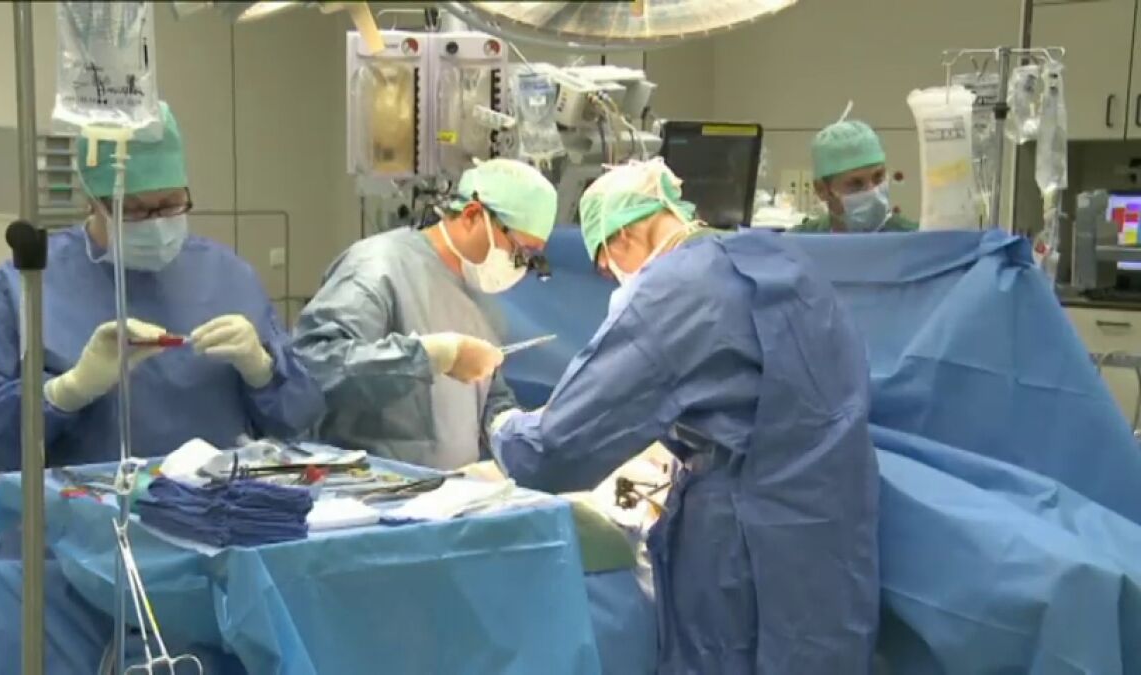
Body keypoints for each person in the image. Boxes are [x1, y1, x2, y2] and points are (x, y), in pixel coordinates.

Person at [489, 159, 880, 673]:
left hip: (743, 545)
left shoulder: (671, 290)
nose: (612, 277)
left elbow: (551, 452)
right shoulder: (782, 260)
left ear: (625, 235)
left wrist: (500, 425)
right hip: (833, 527)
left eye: (605, 265)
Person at [0, 101, 324, 483]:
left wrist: (264, 372)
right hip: (85, 514)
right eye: (134, 210)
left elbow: (299, 419)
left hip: (216, 508)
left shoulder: (230, 276)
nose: (155, 224)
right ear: (92, 201)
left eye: (171, 204)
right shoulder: (25, 286)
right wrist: (64, 393)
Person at [293, 159, 557, 470]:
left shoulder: (482, 297)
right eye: (519, 251)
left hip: (447, 491)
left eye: (531, 259)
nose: (519, 265)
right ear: (472, 215)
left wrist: (506, 423)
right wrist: (432, 357)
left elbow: (488, 393)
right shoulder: (378, 267)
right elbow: (315, 367)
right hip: (366, 487)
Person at [795, 112, 918, 233]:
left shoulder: (913, 239)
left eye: (878, 177)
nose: (873, 192)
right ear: (822, 189)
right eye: (856, 183)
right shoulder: (799, 242)